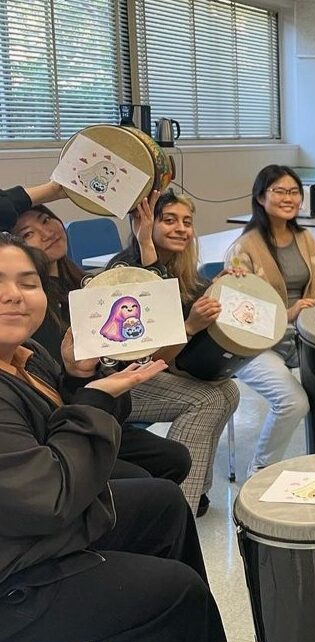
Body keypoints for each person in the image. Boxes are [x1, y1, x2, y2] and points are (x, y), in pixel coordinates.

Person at [0, 232, 233, 642]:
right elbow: (49, 497)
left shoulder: (26, 353)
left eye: (27, 282)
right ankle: (157, 621)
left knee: (163, 501)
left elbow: (56, 433)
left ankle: (153, 635)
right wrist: (96, 398)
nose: (13, 296)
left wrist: (77, 378)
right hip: (15, 575)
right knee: (179, 592)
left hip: (29, 531)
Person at [12, 202, 195, 496]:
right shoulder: (29, 309)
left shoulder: (92, 286)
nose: (46, 233)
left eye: (47, 220)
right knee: (149, 485)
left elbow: (153, 308)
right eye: (29, 233)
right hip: (64, 422)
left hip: (101, 406)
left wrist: (145, 242)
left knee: (174, 459)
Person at [106, 189, 241, 517]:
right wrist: (190, 326)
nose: (181, 228)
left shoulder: (180, 270)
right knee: (207, 400)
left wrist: (218, 286)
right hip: (118, 382)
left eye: (187, 222)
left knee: (229, 391)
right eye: (169, 220)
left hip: (149, 375)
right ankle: (176, 507)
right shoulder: (126, 270)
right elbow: (153, 352)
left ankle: (198, 488)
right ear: (146, 224)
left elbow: (187, 307)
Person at [226, 164, 315, 477]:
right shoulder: (244, 247)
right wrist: (287, 314)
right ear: (260, 197)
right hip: (256, 346)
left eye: (294, 191)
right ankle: (261, 469)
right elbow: (240, 314)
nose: (288, 197)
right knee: (294, 402)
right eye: (279, 191)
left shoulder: (304, 238)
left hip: (301, 337)